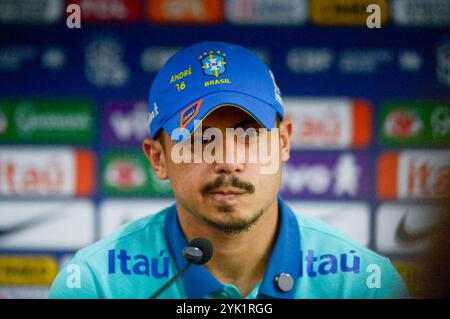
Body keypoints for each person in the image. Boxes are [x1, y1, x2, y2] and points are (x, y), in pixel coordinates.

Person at [49, 41, 409, 299]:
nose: (228, 161)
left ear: (283, 142)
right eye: (199, 138)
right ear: (158, 159)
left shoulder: (363, 284)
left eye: (249, 134)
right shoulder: (96, 285)